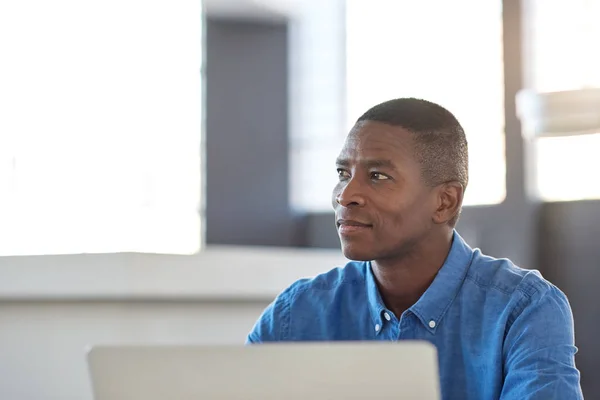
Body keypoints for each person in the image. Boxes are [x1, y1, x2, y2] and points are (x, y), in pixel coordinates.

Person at [246, 98, 583, 399]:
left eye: (377, 176)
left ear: (444, 202)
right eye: (342, 172)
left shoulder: (524, 309)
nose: (346, 195)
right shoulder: (296, 314)